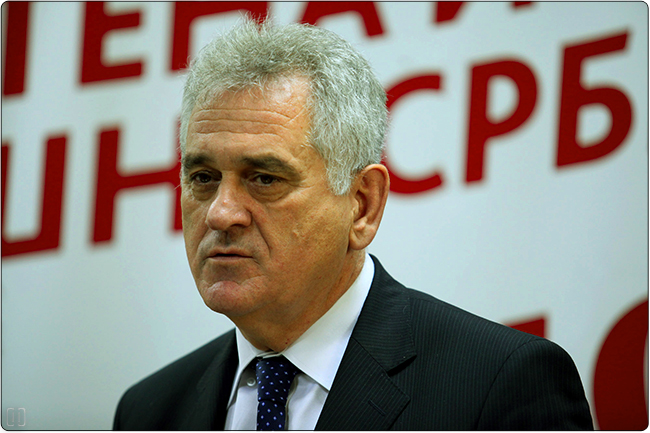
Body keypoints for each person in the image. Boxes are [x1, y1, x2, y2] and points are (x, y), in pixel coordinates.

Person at [113, 20, 593, 430]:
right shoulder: (149, 411)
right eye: (203, 178)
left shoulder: (500, 385)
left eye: (265, 179)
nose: (220, 213)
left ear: (362, 205)